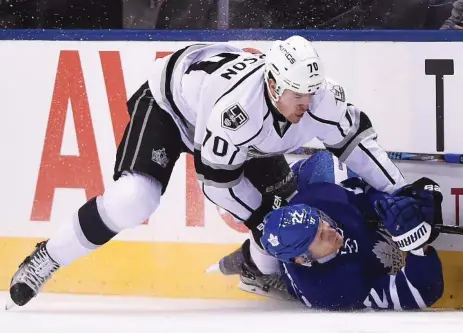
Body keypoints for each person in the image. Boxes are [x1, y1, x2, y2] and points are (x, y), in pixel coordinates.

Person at [9, 35, 421, 308]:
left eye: (311, 93)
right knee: (133, 199)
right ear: (274, 87)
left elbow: (358, 145)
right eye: (298, 94)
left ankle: (256, 271)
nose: (307, 104)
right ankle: (48, 256)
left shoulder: (317, 98)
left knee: (290, 214)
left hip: (239, 133)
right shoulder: (237, 112)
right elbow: (219, 183)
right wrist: (260, 219)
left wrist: (402, 192)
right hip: (172, 109)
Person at [216, 152, 444, 310]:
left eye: (321, 221)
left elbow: (368, 195)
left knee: (329, 166)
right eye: (321, 236)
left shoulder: (320, 198)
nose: (330, 228)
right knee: (265, 261)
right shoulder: (329, 290)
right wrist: (417, 248)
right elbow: (419, 293)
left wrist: (398, 204)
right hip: (285, 264)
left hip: (299, 191)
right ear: (302, 259)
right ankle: (249, 266)